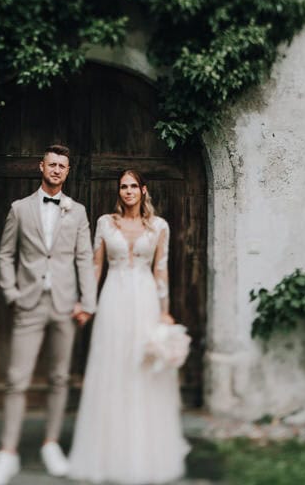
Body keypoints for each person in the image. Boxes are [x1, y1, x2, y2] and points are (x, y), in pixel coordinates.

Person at [0, 144, 98, 485]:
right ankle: (7, 453)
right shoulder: (20, 209)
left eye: (63, 165)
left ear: (67, 171)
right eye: (52, 164)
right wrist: (11, 292)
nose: (57, 170)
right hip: (29, 303)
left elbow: (84, 258)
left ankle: (50, 444)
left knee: (60, 378)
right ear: (41, 167)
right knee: (17, 379)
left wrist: (87, 302)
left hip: (65, 304)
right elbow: (5, 253)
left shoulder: (77, 211)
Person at [67, 170, 190, 484]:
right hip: (114, 300)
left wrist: (164, 313)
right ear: (118, 191)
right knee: (113, 367)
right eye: (123, 186)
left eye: (133, 186)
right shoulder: (106, 223)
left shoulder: (159, 226)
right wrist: (87, 303)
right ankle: (109, 453)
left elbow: (161, 270)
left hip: (146, 299)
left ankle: (145, 452)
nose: (128, 191)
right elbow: (95, 267)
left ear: (143, 190)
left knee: (145, 368)